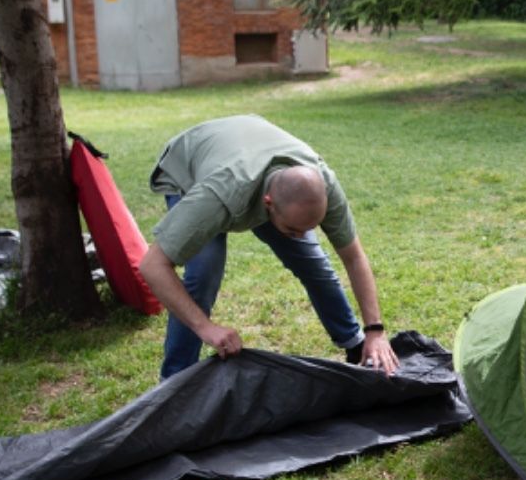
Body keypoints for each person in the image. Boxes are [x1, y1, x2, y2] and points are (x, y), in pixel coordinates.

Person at [138, 115, 399, 379]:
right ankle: (175, 379)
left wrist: (375, 331)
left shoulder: (322, 186)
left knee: (311, 260)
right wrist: (205, 327)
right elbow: (152, 266)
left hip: (249, 152)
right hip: (195, 165)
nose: (300, 237)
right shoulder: (215, 196)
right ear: (268, 204)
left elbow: (353, 256)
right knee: (204, 272)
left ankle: (354, 346)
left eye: (308, 229)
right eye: (293, 230)